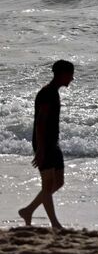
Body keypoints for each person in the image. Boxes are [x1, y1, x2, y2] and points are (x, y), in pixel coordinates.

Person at [18, 59, 75, 230]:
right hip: (44, 143)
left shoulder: (53, 92)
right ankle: (55, 224)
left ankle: (28, 210)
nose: (72, 79)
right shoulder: (47, 93)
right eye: (71, 75)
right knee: (47, 184)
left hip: (52, 143)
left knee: (59, 182)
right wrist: (41, 150)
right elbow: (40, 123)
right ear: (63, 74)